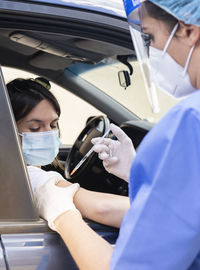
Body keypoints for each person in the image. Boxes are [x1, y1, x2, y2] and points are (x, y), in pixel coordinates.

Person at [34, 0, 200, 269]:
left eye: (150, 37)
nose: (151, 50)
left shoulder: (189, 123)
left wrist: (61, 213)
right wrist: (136, 172)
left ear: (189, 30)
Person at [7, 77, 129, 229]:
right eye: (35, 128)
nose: (49, 134)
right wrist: (135, 173)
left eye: (53, 124)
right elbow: (103, 208)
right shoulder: (30, 178)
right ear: (7, 131)